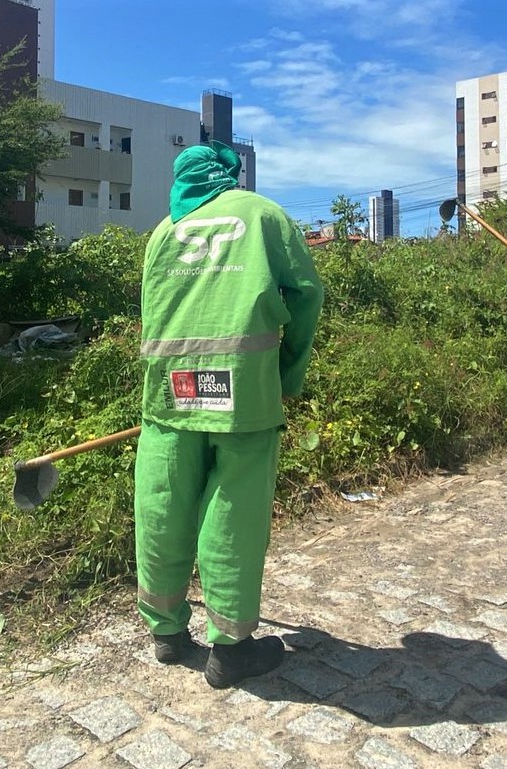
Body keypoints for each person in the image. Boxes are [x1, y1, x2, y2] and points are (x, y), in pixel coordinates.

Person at [135, 141, 324, 688]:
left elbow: (152, 315)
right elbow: (307, 294)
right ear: (229, 173)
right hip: (244, 394)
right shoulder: (263, 215)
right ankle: (231, 650)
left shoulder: (163, 231)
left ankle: (167, 634)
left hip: (170, 395)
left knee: (162, 506)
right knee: (234, 514)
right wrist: (287, 374)